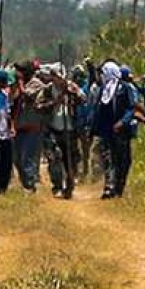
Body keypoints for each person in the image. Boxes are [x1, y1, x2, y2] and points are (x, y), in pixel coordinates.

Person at [93, 61, 137, 199]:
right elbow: (98, 110)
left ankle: (119, 187)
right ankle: (109, 187)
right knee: (108, 158)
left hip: (122, 132)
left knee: (123, 160)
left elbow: (131, 108)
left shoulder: (124, 88)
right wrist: (94, 128)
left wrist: (122, 122)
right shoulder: (103, 90)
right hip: (107, 131)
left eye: (104, 73)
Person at [44, 66, 85, 199]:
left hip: (70, 130)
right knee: (54, 157)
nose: (59, 79)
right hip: (53, 129)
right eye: (56, 76)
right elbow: (39, 106)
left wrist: (71, 93)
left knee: (71, 161)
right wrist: (55, 102)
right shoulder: (48, 89)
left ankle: (69, 185)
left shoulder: (71, 87)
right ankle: (57, 185)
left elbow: (83, 99)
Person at [11, 60, 48, 192]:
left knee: (27, 157)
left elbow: (27, 96)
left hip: (32, 127)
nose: (18, 74)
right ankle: (25, 183)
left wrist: (20, 84)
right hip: (19, 126)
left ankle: (30, 185)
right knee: (16, 158)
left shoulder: (36, 84)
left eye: (21, 71)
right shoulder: (17, 85)